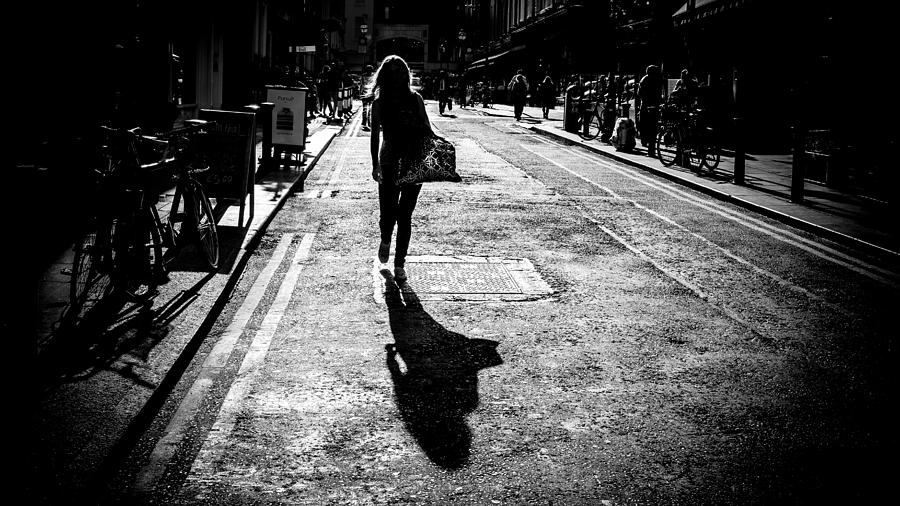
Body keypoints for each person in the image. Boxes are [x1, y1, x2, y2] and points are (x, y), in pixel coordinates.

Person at [369, 55, 434, 283]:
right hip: (388, 162)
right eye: (392, 73)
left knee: (405, 215)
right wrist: (374, 164)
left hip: (413, 163)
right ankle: (385, 238)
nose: (397, 77)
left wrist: (435, 152)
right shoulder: (378, 104)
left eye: (400, 72)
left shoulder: (415, 99)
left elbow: (427, 128)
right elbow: (375, 135)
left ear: (406, 75)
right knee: (388, 213)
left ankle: (399, 264)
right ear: (385, 77)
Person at [638, 64, 663, 156]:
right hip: (654, 106)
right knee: (652, 128)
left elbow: (639, 93)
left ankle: (647, 144)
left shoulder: (644, 79)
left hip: (645, 106)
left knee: (645, 125)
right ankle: (651, 148)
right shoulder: (657, 80)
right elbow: (659, 93)